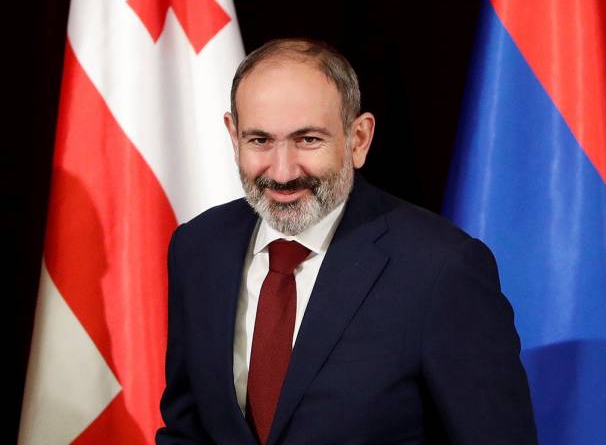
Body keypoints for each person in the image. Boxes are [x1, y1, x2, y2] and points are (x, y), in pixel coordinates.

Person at [156, 38, 537, 445]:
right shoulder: (197, 249)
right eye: (260, 140)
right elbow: (187, 431)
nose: (282, 172)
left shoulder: (441, 269)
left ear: (358, 139)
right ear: (234, 137)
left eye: (308, 140)